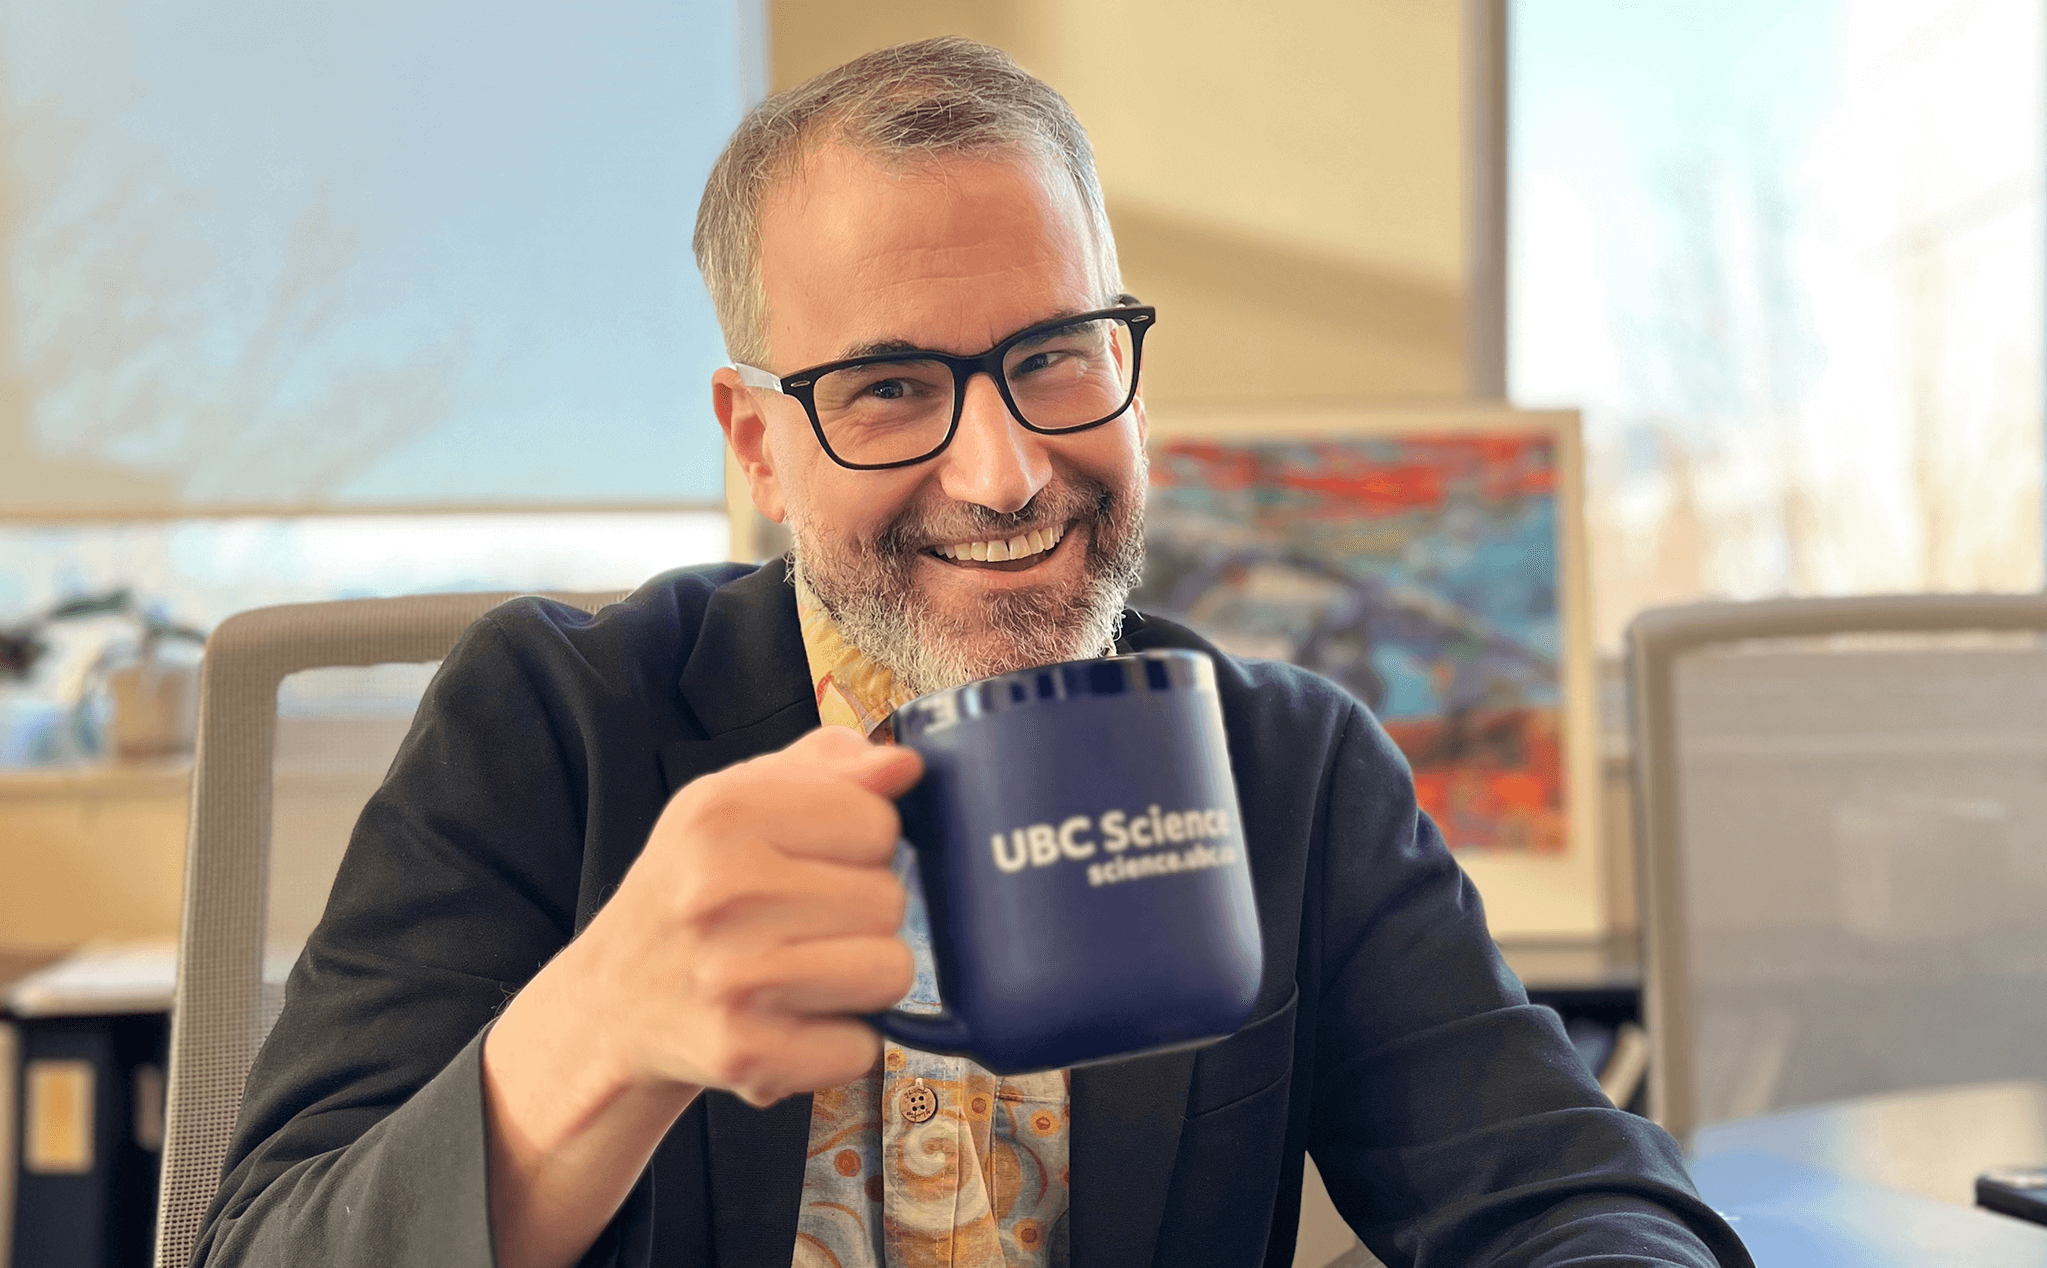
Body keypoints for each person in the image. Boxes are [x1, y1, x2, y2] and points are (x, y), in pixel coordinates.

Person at [196, 37, 1750, 1268]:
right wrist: (599, 1028)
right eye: (886, 389)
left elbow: (1567, 1194)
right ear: (757, 439)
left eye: (1054, 357)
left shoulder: (1281, 763)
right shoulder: (550, 724)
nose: (1005, 472)